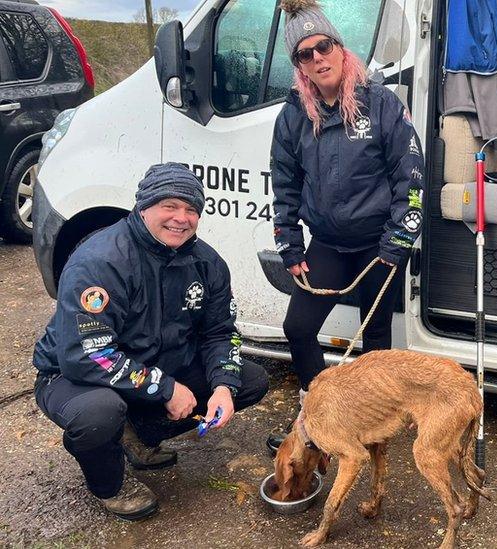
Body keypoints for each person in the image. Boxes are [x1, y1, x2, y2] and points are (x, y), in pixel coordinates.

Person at [32, 163, 269, 520]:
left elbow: (221, 332)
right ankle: (110, 485)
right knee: (98, 415)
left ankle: (137, 436)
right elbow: (87, 355)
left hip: (153, 362)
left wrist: (222, 385)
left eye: (191, 209)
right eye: (169, 206)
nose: (181, 218)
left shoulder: (208, 263)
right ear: (143, 207)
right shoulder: (100, 262)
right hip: (72, 374)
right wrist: (166, 389)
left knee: (248, 381)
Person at [268, 0, 425, 448]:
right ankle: (320, 416)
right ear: (299, 66)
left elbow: (411, 179)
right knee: (298, 328)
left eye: (324, 46)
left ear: (340, 48)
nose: (317, 58)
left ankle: (372, 426)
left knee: (376, 338)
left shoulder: (382, 105)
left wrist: (397, 243)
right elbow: (285, 184)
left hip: (380, 245)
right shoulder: (294, 115)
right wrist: (290, 245)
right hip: (328, 245)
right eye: (305, 54)